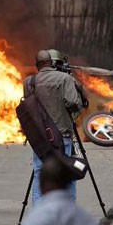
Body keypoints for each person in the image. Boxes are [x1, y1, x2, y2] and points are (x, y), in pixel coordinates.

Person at [23, 49, 83, 205]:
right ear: (51, 63)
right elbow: (73, 102)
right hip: (61, 135)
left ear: (37, 65)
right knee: (67, 173)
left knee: (39, 173)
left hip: (40, 138)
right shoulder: (64, 79)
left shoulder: (29, 82)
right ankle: (67, 211)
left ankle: (39, 212)